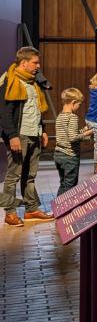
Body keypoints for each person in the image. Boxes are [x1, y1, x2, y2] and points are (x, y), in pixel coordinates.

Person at [1, 46, 51, 227]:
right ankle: (10, 213)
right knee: (13, 175)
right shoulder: (10, 80)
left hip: (34, 133)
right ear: (24, 63)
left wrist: (43, 129)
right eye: (35, 62)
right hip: (19, 135)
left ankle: (31, 209)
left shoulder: (33, 81)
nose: (38, 66)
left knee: (30, 175)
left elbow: (36, 109)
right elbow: (5, 113)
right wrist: (12, 136)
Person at [54, 88, 92, 197]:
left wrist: (84, 130)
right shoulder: (73, 117)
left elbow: (69, 134)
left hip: (58, 155)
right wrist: (88, 133)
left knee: (64, 183)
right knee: (70, 185)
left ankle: (62, 208)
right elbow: (73, 138)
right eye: (79, 104)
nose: (79, 107)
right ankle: (61, 209)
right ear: (73, 103)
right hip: (70, 156)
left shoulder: (60, 116)